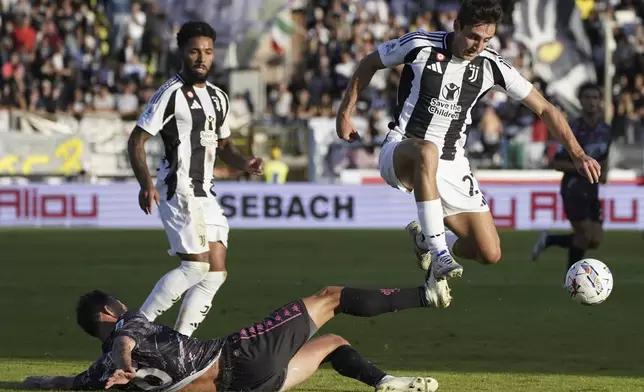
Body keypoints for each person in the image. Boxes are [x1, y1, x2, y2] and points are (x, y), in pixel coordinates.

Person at [335, 0, 601, 283]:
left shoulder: (491, 65)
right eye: (474, 36)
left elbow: (545, 108)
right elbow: (370, 62)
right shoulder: (420, 44)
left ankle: (428, 240)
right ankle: (439, 255)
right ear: (457, 26)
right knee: (427, 150)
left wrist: (577, 153)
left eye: (487, 39)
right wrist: (344, 113)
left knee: (489, 252)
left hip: (451, 164)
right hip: (402, 150)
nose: (479, 45)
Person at [19, 280, 450, 392]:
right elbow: (125, 343)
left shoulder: (99, 374)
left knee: (333, 345)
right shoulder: (129, 328)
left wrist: (31, 382)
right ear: (106, 312)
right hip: (240, 357)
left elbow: (66, 382)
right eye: (118, 303)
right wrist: (127, 363)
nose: (125, 306)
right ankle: (427, 293)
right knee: (330, 298)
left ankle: (386, 382)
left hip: (249, 386)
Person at [126, 21, 264, 337]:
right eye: (194, 51)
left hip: (205, 191)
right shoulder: (169, 94)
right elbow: (136, 140)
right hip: (177, 186)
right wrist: (145, 183)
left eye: (208, 52)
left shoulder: (219, 98)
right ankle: (132, 331)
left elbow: (224, 145)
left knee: (215, 272)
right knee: (196, 266)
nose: (202, 58)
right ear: (182, 53)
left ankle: (178, 343)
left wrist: (246, 163)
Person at [531, 83, 611, 276]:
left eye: (595, 98)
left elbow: (604, 156)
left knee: (595, 240)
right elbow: (556, 163)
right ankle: (571, 278)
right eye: (587, 98)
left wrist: (604, 174)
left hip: (592, 188)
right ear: (581, 101)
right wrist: (583, 168)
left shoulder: (605, 129)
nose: (591, 102)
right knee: (584, 235)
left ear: (600, 101)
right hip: (573, 188)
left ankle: (550, 240)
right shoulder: (571, 128)